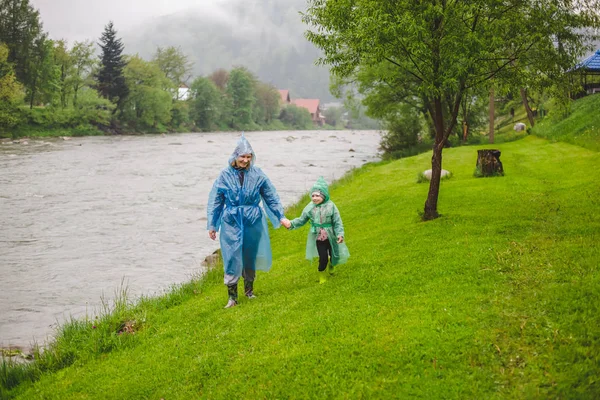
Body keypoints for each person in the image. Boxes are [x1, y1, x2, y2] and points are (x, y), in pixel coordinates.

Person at [207, 133, 291, 308]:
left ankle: (249, 291)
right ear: (235, 156)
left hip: (253, 219)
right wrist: (212, 224)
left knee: (249, 255)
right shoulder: (224, 175)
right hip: (231, 220)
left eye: (248, 156)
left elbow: (270, 197)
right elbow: (216, 201)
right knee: (231, 256)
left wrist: (280, 216)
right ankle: (232, 298)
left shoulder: (258, 175)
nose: (245, 160)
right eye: (242, 156)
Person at [288, 177, 349, 283]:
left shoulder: (331, 206)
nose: (315, 198)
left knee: (335, 255)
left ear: (324, 196)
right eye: (313, 195)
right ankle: (322, 275)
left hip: (331, 235)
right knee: (323, 257)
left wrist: (340, 234)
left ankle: (332, 264)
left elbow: (337, 221)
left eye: (317, 196)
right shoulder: (310, 208)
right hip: (319, 237)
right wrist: (291, 224)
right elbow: (302, 220)